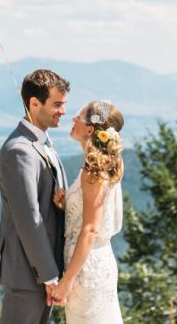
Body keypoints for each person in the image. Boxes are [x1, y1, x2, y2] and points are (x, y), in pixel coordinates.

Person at [0, 69, 69, 324]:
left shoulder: (41, 143)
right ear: (34, 103)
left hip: (42, 272)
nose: (63, 111)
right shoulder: (19, 151)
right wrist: (50, 276)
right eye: (57, 104)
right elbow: (29, 218)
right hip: (27, 274)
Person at [50, 100, 125, 323]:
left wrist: (67, 281)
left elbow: (91, 229)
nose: (73, 119)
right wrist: (67, 207)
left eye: (79, 117)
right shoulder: (103, 164)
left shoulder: (93, 171)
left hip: (86, 270)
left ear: (90, 130)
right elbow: (92, 215)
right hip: (94, 263)